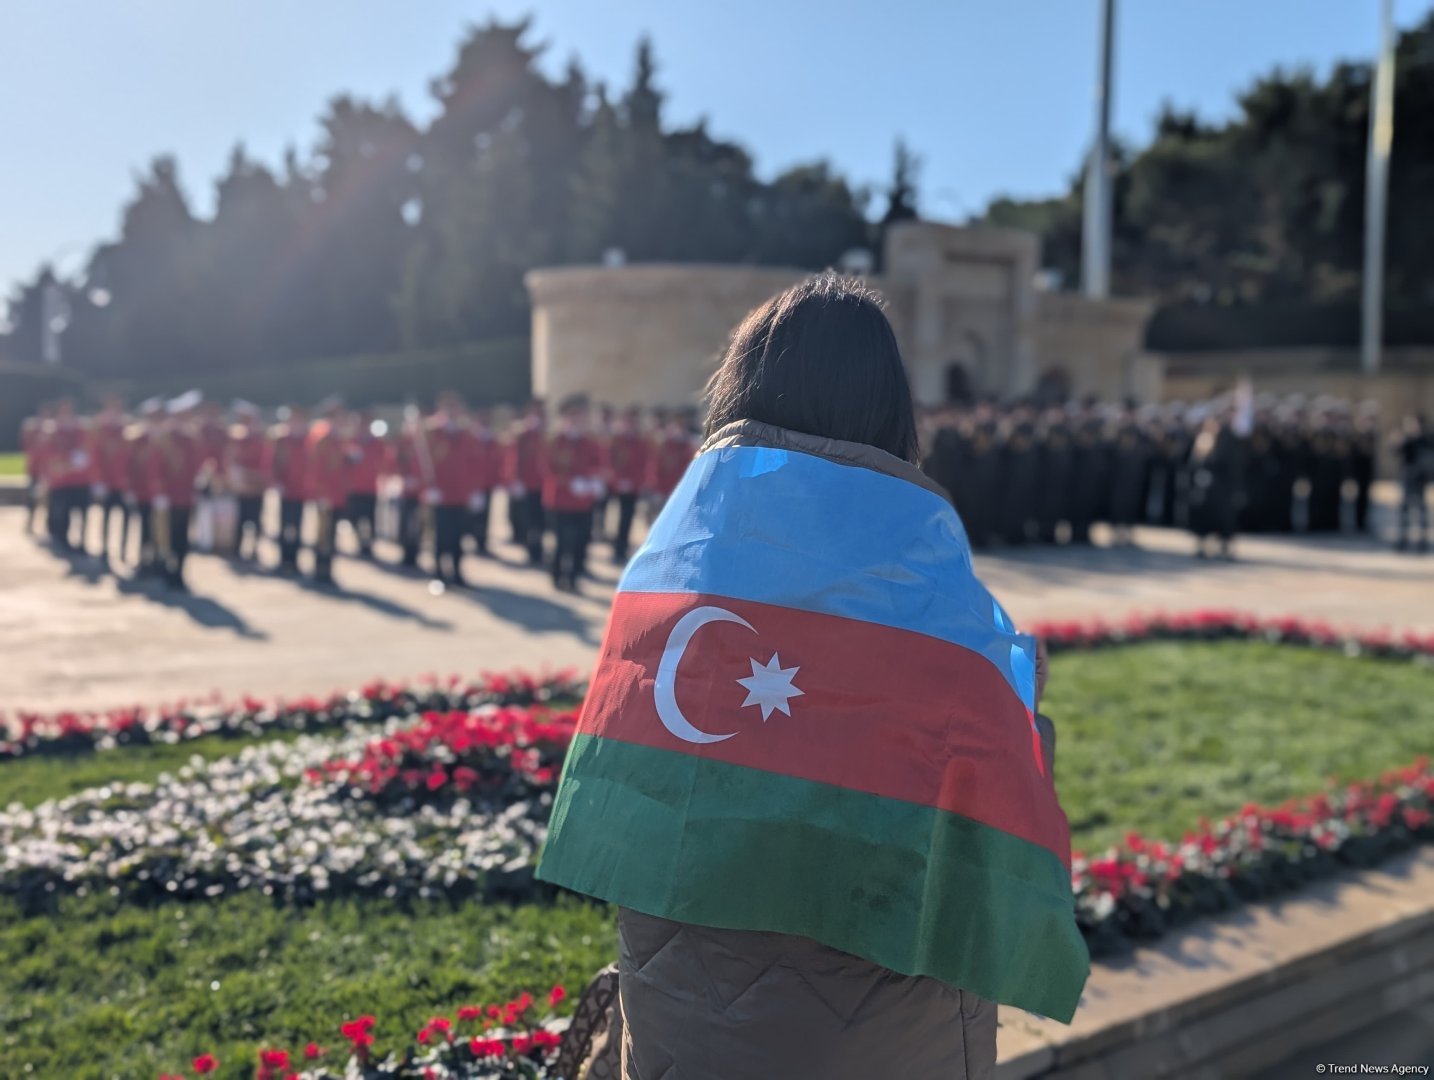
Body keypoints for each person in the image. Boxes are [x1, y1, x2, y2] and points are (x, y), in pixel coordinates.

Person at [536, 275, 1084, 1079]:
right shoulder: (933, 612)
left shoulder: (672, 586)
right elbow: (989, 822)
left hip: (682, 1024)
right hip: (885, 1036)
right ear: (893, 414)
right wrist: (1021, 710)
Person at [543, 395, 603, 592]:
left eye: (582, 416)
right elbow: (547, 467)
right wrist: (569, 482)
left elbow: (598, 463)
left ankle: (575, 576)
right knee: (562, 541)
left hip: (583, 500)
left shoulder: (589, 441)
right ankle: (558, 575)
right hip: (561, 499)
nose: (579, 420)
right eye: (574, 416)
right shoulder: (555, 440)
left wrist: (593, 481)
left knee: (581, 540)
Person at [266, 407, 310, 574]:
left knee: (298, 525)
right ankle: (283, 559)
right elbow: (275, 461)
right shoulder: (282, 439)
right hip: (286, 488)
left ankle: (294, 560)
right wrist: (277, 482)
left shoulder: (307, 439)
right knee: (285, 525)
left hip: (301, 489)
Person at [605, 405, 651, 563]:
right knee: (614, 516)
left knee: (628, 518)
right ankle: (615, 547)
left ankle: (622, 547)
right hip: (617, 485)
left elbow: (644, 463)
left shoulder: (641, 441)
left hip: (633, 486)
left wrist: (638, 482)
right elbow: (610, 462)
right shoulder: (616, 440)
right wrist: (617, 480)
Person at [506, 400, 548, 564]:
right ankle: (532, 549)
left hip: (544, 484)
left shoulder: (547, 433)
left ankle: (538, 547)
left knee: (541, 520)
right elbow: (514, 457)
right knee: (529, 520)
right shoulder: (522, 433)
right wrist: (515, 479)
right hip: (528, 483)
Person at [225, 406, 269, 562]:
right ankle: (237, 549)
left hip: (256, 486)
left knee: (256, 520)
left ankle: (254, 549)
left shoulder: (261, 439)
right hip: (242, 487)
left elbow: (265, 464)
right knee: (240, 520)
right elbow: (232, 460)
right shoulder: (238, 438)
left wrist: (254, 477)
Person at [343, 411, 386, 558]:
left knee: (369, 518)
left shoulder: (377, 443)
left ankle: (367, 544)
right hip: (353, 487)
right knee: (354, 517)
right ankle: (360, 541)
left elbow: (383, 462)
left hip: (370, 487)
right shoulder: (350, 442)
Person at [1392, 413, 1431, 553]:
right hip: (1407, 478)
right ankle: (1402, 539)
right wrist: (1397, 442)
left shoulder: (1427, 439)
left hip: (1420, 479)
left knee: (1421, 511)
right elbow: (1394, 452)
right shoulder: (1406, 439)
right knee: (1404, 511)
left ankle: (1422, 541)